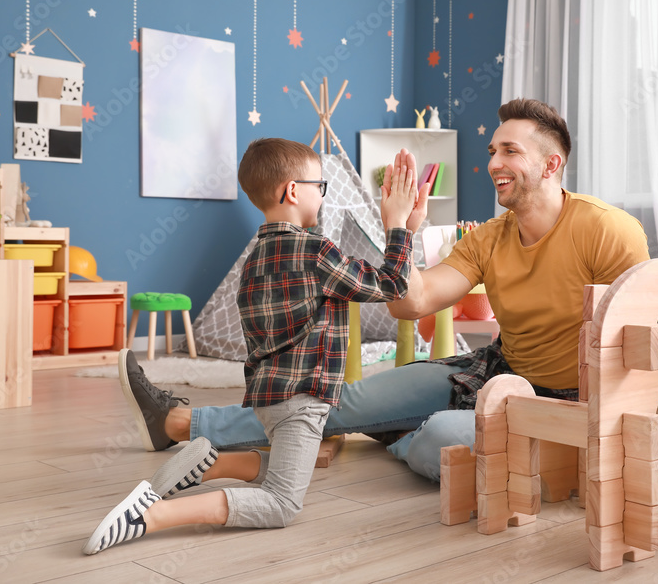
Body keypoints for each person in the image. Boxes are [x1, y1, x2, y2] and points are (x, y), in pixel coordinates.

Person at [120, 98, 651, 484]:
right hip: (492, 371)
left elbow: (638, 337)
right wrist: (403, 228)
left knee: (443, 437)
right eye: (493, 150)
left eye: (509, 151)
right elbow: (409, 302)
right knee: (339, 398)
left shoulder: (608, 230)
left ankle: (399, 436)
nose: (492, 163)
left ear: (551, 164)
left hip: (566, 399)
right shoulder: (489, 238)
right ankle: (179, 422)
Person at [84, 137, 423, 554]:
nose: (323, 195)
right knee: (282, 502)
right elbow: (392, 284)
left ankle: (213, 463)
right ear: (294, 190)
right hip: (301, 401)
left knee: (283, 471)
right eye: (321, 185)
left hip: (266, 398)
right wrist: (399, 226)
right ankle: (150, 516)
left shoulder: (257, 257)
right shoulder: (316, 252)